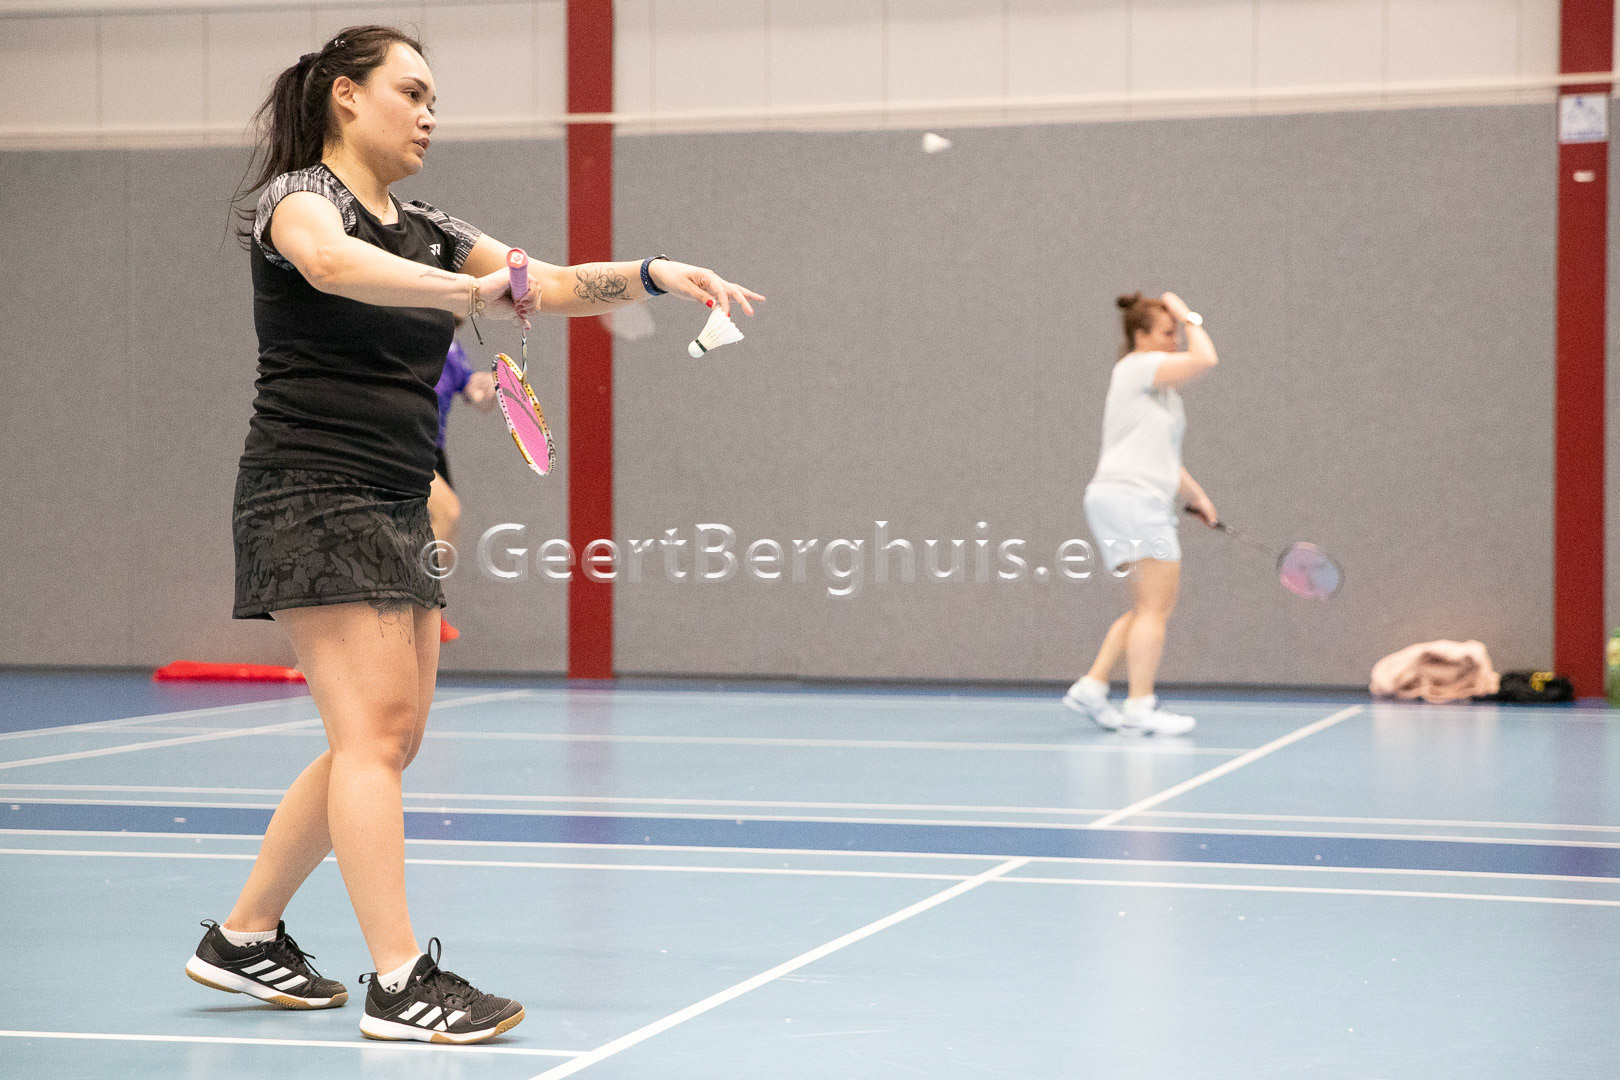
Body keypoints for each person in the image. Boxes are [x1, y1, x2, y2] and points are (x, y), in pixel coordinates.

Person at [185, 26, 764, 1045]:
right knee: (372, 738)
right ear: (345, 96)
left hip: (396, 497)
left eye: (433, 100)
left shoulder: (430, 227)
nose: (428, 115)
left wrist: (658, 272)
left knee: (387, 741)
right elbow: (329, 264)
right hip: (312, 490)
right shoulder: (298, 200)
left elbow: (554, 282)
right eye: (409, 92)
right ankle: (401, 983)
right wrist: (465, 292)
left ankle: (243, 935)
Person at [1062, 292, 1217, 737]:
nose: (1175, 341)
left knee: (1145, 606)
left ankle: (1092, 687)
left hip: (1122, 498)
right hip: (1133, 500)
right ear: (1141, 336)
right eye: (1167, 333)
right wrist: (1189, 315)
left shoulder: (1161, 393)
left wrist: (1197, 496)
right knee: (1156, 608)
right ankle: (1140, 706)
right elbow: (1206, 358)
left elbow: (1164, 456)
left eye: (1176, 332)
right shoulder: (1137, 367)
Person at [429, 324, 495, 642]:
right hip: (400, 443)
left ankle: (426, 605)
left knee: (447, 538)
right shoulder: (411, 333)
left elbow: (476, 397)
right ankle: (421, 607)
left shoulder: (451, 347)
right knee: (447, 513)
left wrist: (484, 386)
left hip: (433, 450)